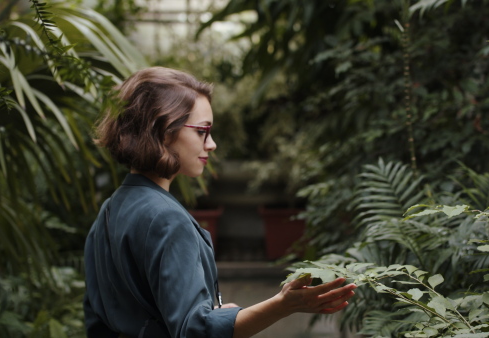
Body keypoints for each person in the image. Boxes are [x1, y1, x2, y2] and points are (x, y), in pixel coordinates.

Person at [83, 67, 357, 338]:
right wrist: (283, 305)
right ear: (164, 132)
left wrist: (218, 313)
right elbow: (194, 330)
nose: (211, 144)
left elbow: (104, 316)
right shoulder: (167, 219)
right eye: (202, 131)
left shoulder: (111, 209)